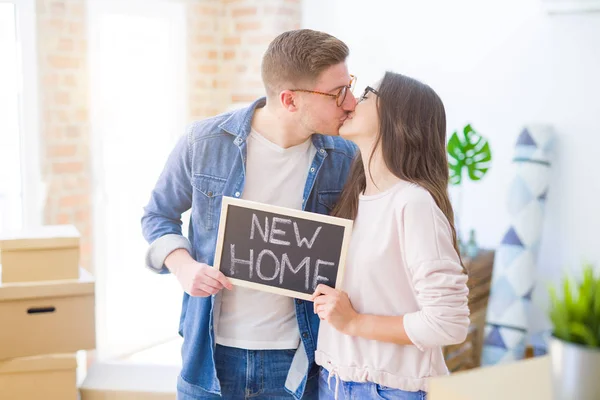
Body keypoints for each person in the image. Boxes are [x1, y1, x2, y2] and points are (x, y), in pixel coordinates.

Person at [141, 29, 357, 400]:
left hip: (298, 359)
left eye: (349, 85)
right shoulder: (203, 143)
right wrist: (183, 267)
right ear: (290, 100)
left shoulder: (346, 158)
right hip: (209, 357)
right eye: (337, 92)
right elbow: (158, 215)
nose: (351, 102)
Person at [312, 72, 470, 400]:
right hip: (333, 382)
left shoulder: (413, 203)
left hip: (389, 390)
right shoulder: (352, 199)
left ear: (397, 117)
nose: (352, 100)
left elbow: (448, 323)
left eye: (367, 94)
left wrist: (354, 323)